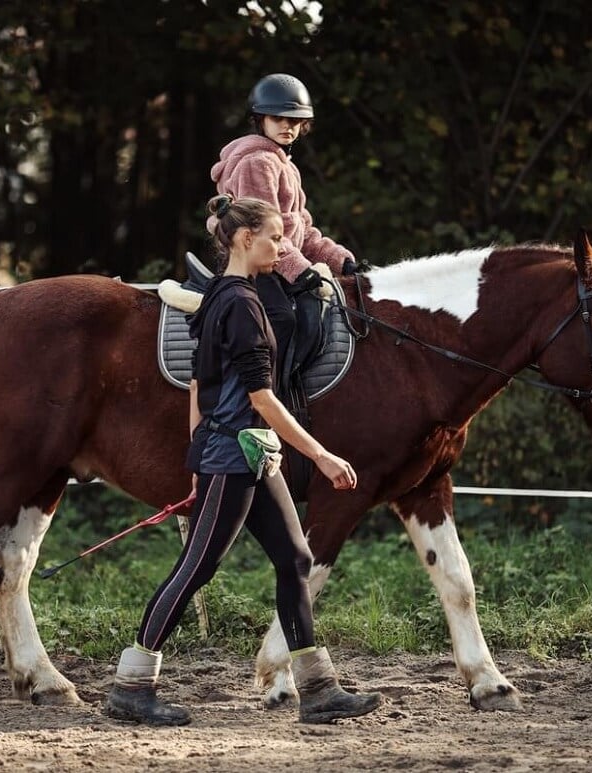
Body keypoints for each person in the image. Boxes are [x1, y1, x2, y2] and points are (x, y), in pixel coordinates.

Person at [104, 194, 382, 727]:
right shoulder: (243, 306)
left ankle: (318, 690)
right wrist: (321, 455)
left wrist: (196, 450)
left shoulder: (220, 296)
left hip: (248, 452)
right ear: (243, 238)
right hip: (234, 454)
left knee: (296, 559)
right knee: (197, 567)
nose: (283, 246)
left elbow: (198, 383)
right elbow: (262, 398)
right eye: (275, 237)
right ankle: (131, 685)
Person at [207, 73, 361, 399]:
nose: (287, 126)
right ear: (260, 119)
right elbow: (264, 233)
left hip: (278, 261)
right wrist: (301, 271)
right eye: (278, 118)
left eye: (294, 120)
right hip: (254, 264)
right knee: (283, 318)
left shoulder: (285, 165)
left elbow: (301, 230)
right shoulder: (258, 162)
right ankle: (261, 398)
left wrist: (341, 260)